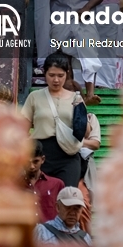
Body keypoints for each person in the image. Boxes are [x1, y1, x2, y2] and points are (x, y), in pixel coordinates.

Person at [21, 54, 88, 188]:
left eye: (60, 75)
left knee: (67, 197)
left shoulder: (76, 98)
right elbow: (22, 129)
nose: (56, 80)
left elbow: (85, 132)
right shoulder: (35, 96)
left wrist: (80, 115)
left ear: (67, 74)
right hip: (40, 155)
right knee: (41, 197)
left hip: (68, 155)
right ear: (44, 73)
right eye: (51, 75)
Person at [26, 140, 65, 224]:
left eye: (35, 161)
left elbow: (64, 214)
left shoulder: (57, 184)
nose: (32, 166)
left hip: (50, 235)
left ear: (43, 159)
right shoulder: (15, 186)